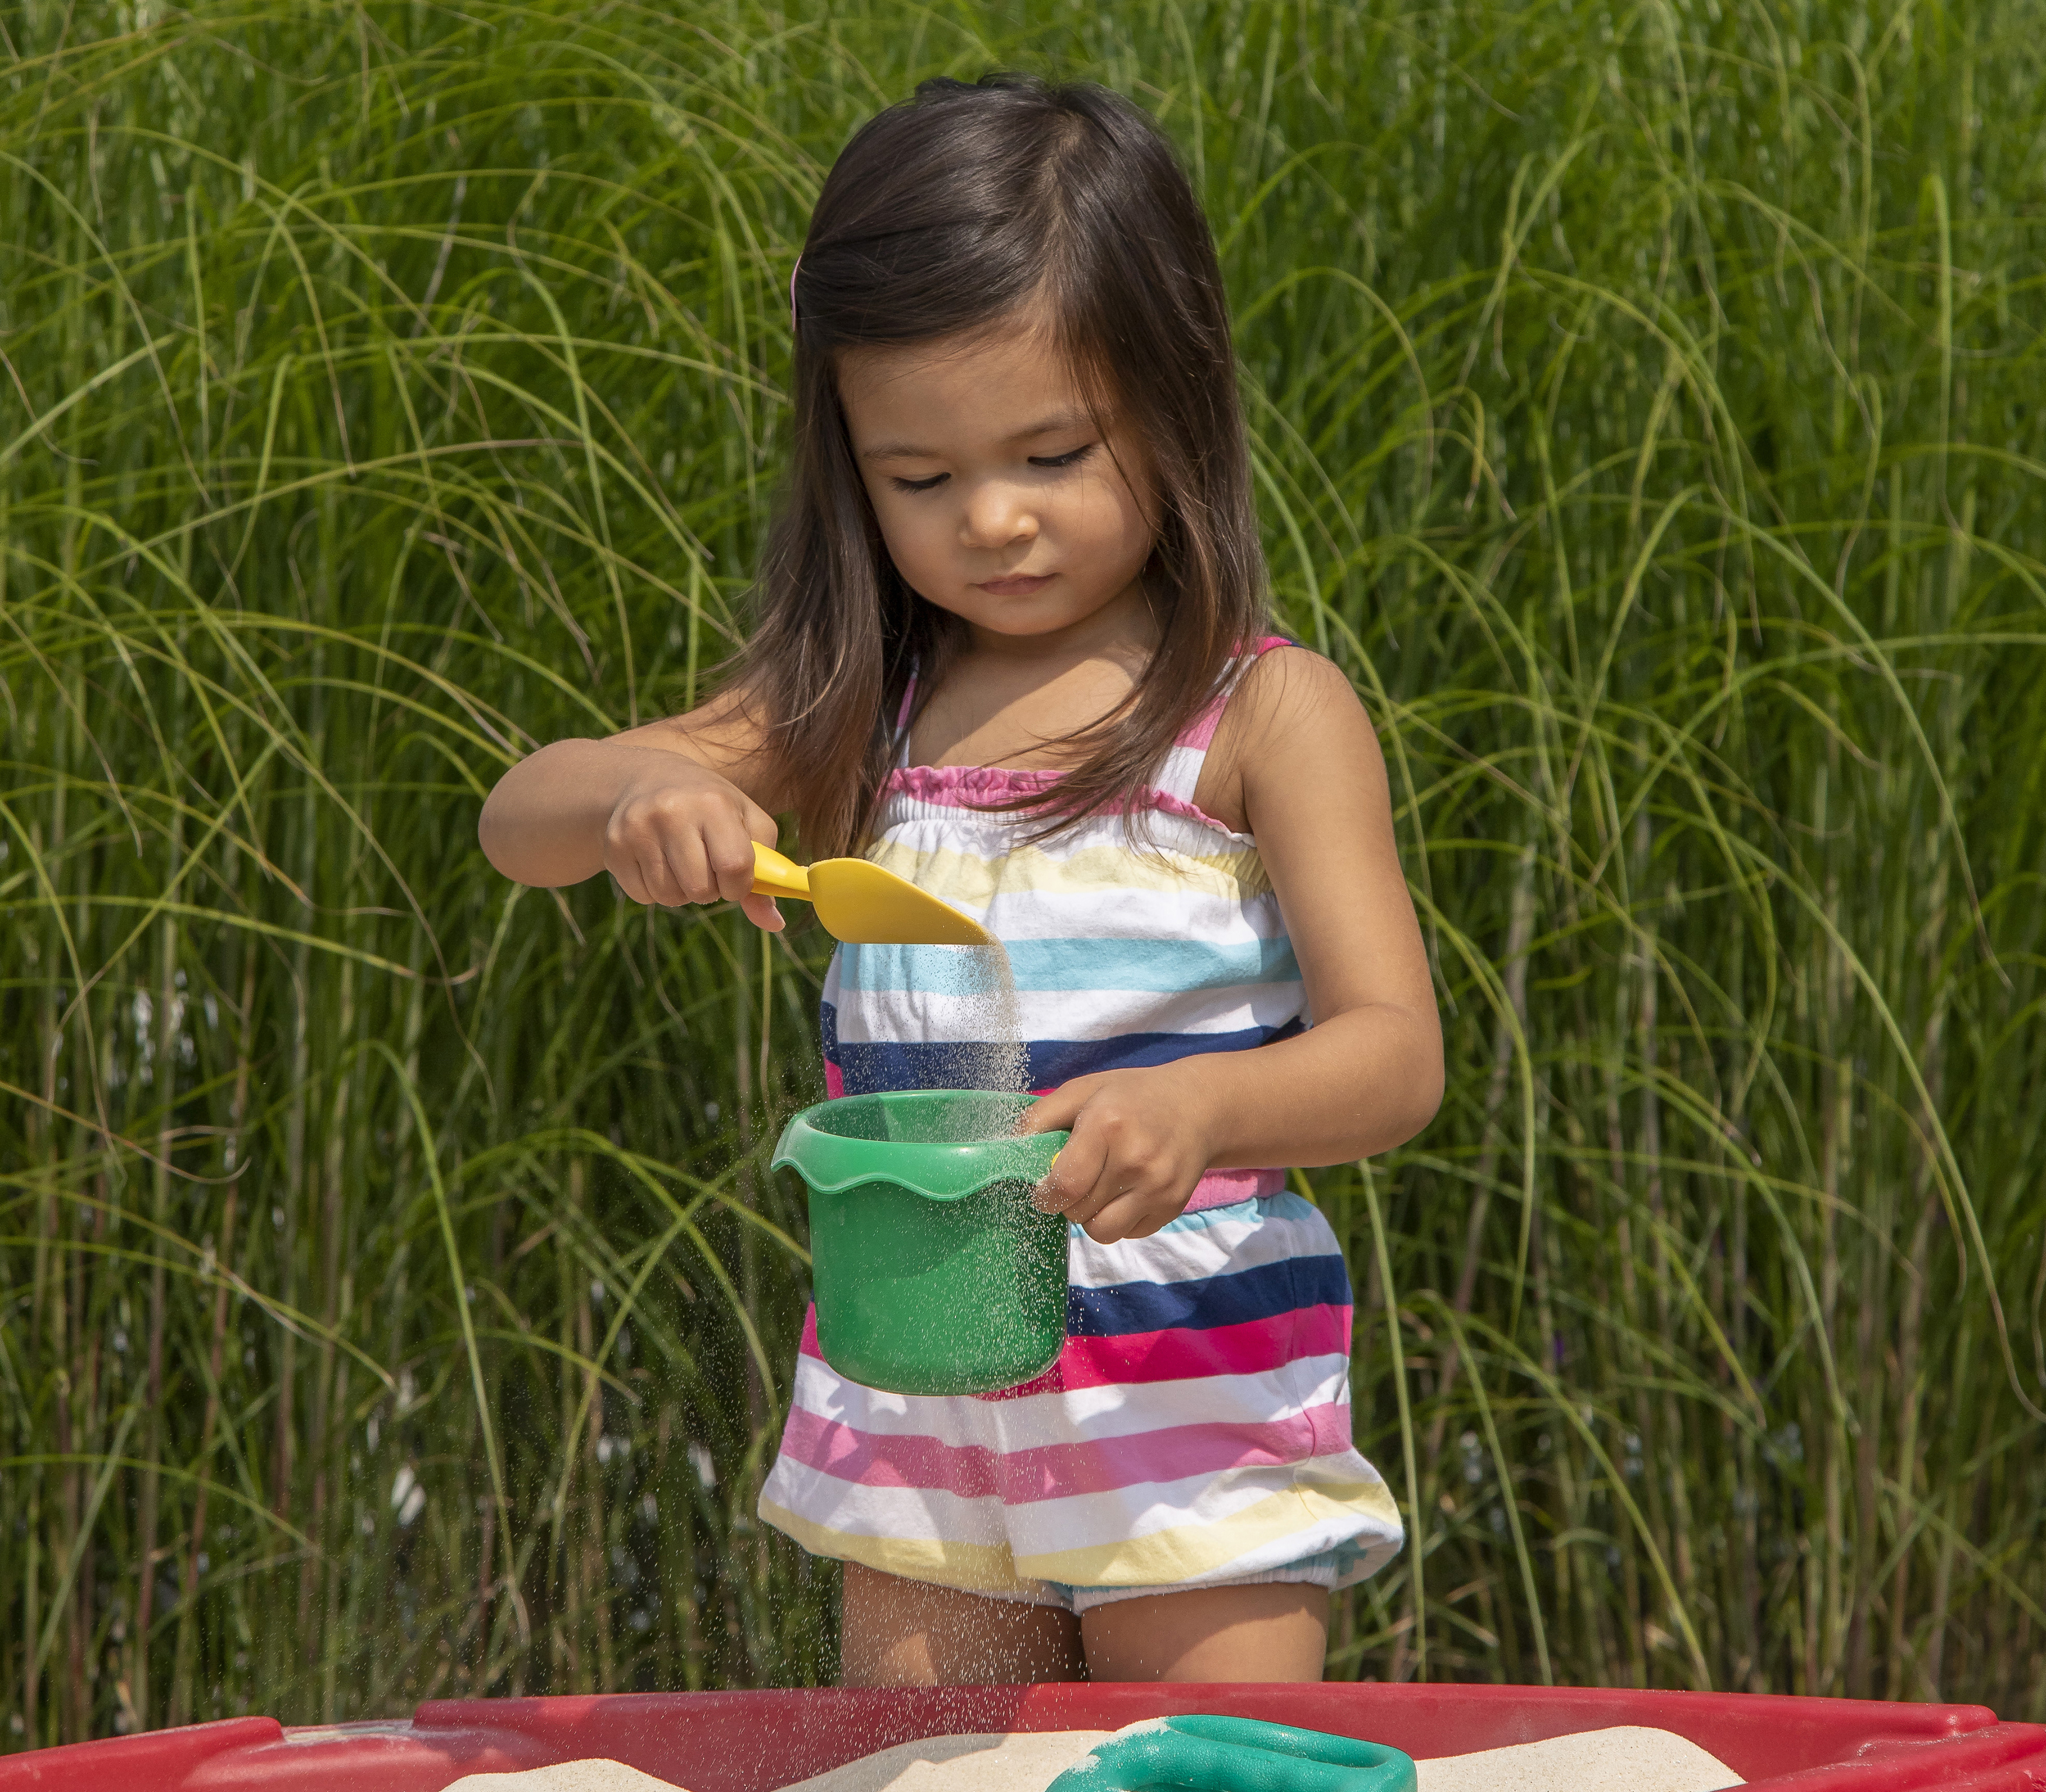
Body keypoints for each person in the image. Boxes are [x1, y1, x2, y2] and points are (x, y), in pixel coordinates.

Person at [479, 74, 1443, 1687]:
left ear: (1175, 398)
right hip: (916, 1368)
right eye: (916, 479)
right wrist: (649, 790)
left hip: (1178, 1386)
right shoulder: (867, 705)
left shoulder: (1261, 713)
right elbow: (524, 817)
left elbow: (1393, 1055)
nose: (991, 519)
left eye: (1052, 453)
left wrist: (1204, 1112)